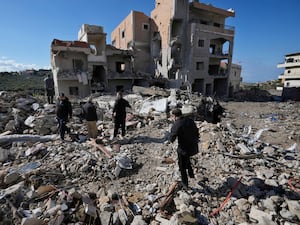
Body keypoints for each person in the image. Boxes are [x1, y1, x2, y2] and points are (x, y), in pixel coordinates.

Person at [167, 108, 199, 189]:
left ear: (174, 116)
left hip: (183, 149)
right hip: (193, 147)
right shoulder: (190, 120)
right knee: (187, 158)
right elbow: (197, 132)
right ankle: (191, 173)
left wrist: (169, 139)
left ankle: (185, 184)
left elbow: (172, 138)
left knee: (182, 166)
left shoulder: (177, 124)